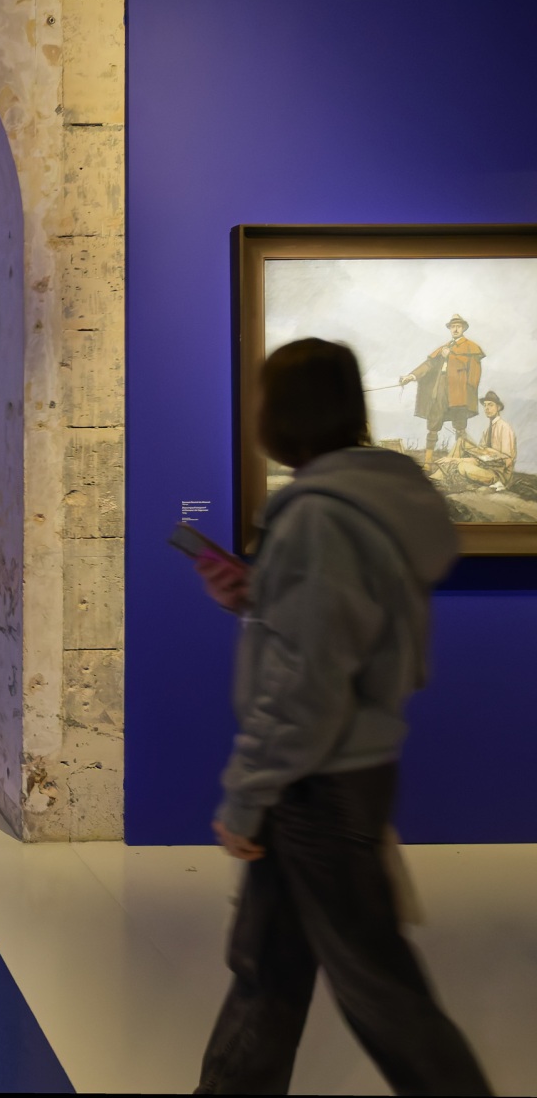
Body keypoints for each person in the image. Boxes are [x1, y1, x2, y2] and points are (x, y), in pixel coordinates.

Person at [192, 338, 492, 1096]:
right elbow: (333, 634)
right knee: (268, 972)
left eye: (264, 397)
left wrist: (247, 794)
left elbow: (306, 684)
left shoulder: (318, 518)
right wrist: (258, 599)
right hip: (340, 773)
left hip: (317, 784)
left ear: (287, 412)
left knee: (381, 994)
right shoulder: (369, 504)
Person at [399, 314, 485, 469]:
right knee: (434, 422)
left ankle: (457, 464)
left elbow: (474, 375)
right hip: (440, 389)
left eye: (458, 326)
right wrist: (411, 376)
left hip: (459, 391)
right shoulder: (445, 348)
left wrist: (451, 357)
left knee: (460, 426)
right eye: (453, 327)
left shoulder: (471, 347)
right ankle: (428, 462)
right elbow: (429, 364)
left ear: (463, 328)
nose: (455, 329)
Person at [438, 389, 516, 491]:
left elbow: (508, 460)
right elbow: (479, 458)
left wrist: (487, 453)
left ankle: (497, 483)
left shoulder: (504, 427)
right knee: (461, 442)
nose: (487, 408)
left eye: (490, 405)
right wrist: (457, 459)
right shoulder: (487, 431)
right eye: (485, 405)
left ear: (498, 407)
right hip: (486, 466)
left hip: (499, 473)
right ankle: (443, 473)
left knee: (463, 467)